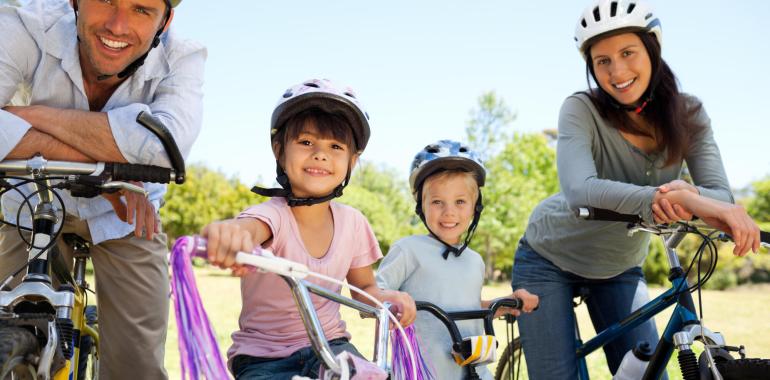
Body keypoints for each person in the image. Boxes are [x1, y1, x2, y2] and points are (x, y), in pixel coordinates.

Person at [510, 0, 762, 379]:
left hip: (620, 266)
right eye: (602, 61)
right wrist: (674, 199)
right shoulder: (581, 109)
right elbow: (580, 190)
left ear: (652, 51)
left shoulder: (689, 115)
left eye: (628, 53)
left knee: (647, 374)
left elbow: (722, 197)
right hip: (549, 258)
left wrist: (689, 198)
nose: (617, 71)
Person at [0, 0, 205, 378]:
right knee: (7, 334)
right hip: (33, 199)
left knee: (136, 366)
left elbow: (164, 148)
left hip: (127, 214)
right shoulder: (25, 22)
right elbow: (145, 145)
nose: (117, 25)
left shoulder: (183, 57)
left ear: (166, 19)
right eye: (106, 0)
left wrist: (31, 117)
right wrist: (111, 165)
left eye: (141, 9)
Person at [201, 79, 417, 380]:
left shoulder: (353, 223)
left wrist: (387, 298)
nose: (320, 154)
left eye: (335, 146)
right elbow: (249, 229)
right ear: (279, 151)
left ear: (352, 161)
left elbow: (364, 288)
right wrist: (233, 235)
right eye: (305, 142)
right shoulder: (270, 215)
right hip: (266, 358)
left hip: (333, 348)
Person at [376, 140, 539, 380]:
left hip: (473, 369)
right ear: (421, 206)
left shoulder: (474, 261)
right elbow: (371, 297)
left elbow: (469, 307)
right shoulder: (408, 250)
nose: (449, 212)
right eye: (437, 202)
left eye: (460, 202)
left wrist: (505, 303)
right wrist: (393, 300)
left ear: (476, 207)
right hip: (423, 372)